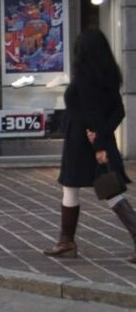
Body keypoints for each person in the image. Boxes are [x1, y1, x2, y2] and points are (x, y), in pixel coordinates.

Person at [49, 29, 136, 262]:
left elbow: (89, 113)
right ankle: (65, 241)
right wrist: (103, 136)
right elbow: (119, 111)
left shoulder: (84, 79)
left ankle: (66, 241)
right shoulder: (109, 77)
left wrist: (96, 142)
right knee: (108, 189)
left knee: (78, 187)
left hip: (81, 144)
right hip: (99, 140)